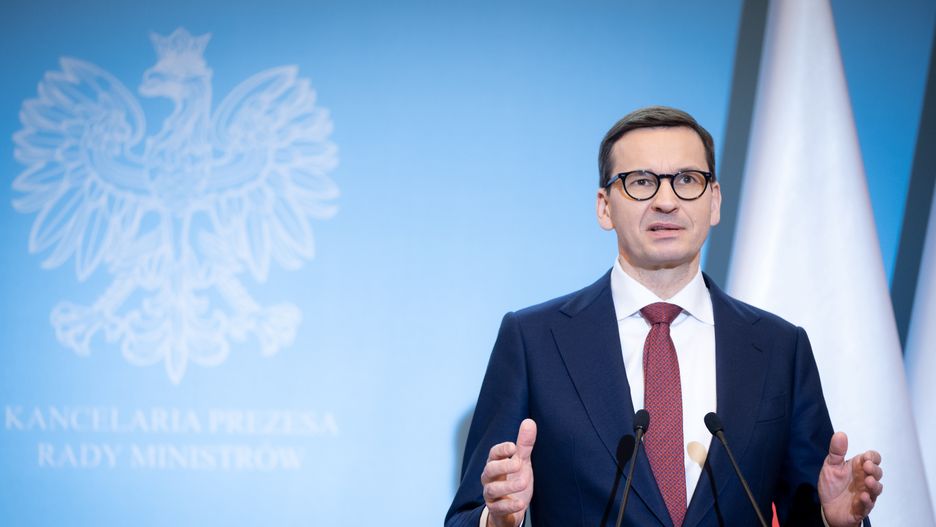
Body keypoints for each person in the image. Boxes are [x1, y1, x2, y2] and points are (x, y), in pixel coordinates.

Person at [444, 106, 883, 527]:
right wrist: (498, 519)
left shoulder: (778, 347)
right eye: (641, 182)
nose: (667, 201)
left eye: (687, 180)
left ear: (714, 202)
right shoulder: (533, 341)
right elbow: (466, 516)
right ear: (604, 206)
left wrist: (830, 520)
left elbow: (801, 509)